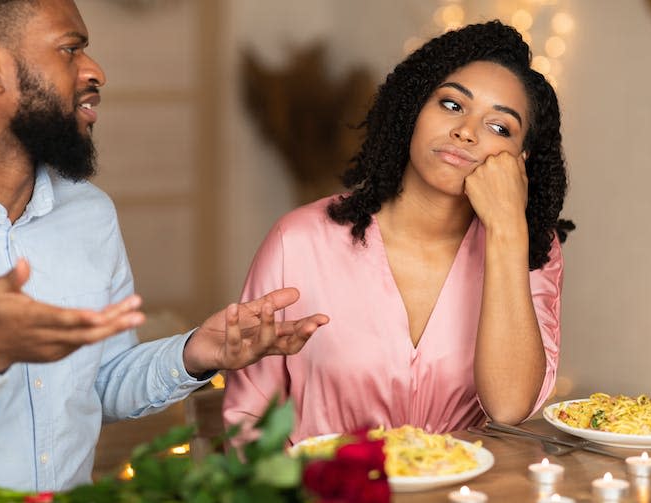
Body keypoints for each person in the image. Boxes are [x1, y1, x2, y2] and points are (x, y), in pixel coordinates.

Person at [0, 0, 328, 492]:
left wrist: (195, 353)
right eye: (70, 49)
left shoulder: (89, 214)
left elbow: (99, 384)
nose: (95, 72)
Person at [223, 20, 573, 444]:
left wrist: (506, 231)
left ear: (520, 159)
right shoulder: (298, 241)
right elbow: (248, 421)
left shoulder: (530, 248)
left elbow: (509, 405)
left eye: (499, 127)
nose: (466, 132)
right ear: (414, 108)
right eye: (451, 104)